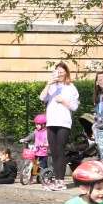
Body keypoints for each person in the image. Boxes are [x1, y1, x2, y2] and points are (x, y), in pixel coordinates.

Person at [39, 62, 80, 191]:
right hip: (51, 122)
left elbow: (75, 106)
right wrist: (49, 83)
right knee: (54, 152)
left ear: (66, 73)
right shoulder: (52, 86)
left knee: (61, 150)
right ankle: (56, 179)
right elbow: (42, 98)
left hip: (63, 122)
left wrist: (64, 101)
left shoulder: (71, 87)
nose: (60, 74)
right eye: (57, 71)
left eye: (62, 71)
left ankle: (61, 180)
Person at [19, 114, 50, 187]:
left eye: (38, 124)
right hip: (36, 151)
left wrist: (46, 144)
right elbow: (30, 136)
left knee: (43, 166)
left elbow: (49, 140)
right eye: (36, 124)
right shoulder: (36, 131)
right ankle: (31, 178)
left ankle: (44, 177)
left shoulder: (47, 132)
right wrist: (25, 139)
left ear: (44, 125)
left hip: (44, 152)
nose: (36, 126)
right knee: (34, 165)